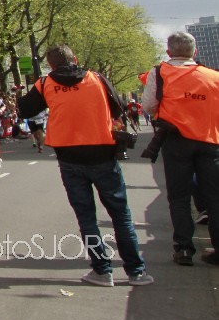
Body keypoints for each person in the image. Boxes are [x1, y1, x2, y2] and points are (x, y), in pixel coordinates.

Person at [17, 45, 153, 286]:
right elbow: (118, 106)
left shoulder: (45, 83)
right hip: (102, 153)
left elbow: (25, 110)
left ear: (51, 65)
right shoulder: (97, 78)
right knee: (121, 215)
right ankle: (136, 271)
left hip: (69, 156)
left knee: (86, 217)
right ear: (76, 59)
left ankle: (102, 270)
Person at [141, 31, 219, 266]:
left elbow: (149, 105)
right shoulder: (213, 76)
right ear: (195, 52)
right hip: (210, 140)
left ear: (169, 51)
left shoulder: (159, 73)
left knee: (179, 197)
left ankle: (184, 249)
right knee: (215, 197)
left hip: (176, 141)